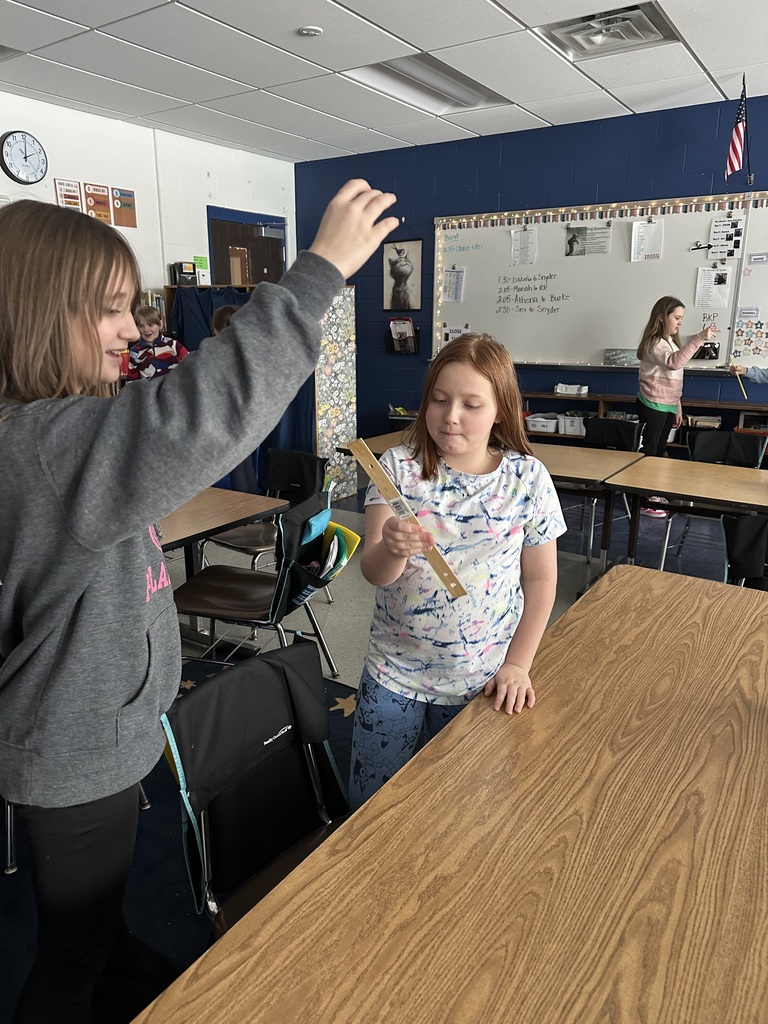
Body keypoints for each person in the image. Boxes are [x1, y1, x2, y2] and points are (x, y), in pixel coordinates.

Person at [0, 179, 398, 1023]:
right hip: (74, 757)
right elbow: (197, 415)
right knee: (71, 957)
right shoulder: (41, 446)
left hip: (91, 739)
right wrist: (318, 272)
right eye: (108, 311)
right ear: (38, 311)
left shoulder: (46, 433)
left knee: (99, 937)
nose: (134, 331)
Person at [348, 333, 566, 810]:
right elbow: (374, 574)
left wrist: (518, 664)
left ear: (501, 411)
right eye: (440, 400)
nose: (451, 416)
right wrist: (391, 548)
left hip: (484, 680)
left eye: (471, 404)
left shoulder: (528, 480)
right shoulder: (397, 470)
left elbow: (542, 581)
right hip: (393, 674)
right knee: (371, 809)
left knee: (462, 811)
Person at [635, 296, 719, 517]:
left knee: (660, 449)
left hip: (668, 404)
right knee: (650, 452)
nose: (680, 322)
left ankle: (652, 492)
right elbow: (674, 362)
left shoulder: (671, 342)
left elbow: (673, 377)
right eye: (677, 317)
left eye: (682, 318)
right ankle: (644, 499)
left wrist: (677, 407)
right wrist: (699, 338)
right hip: (652, 402)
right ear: (662, 317)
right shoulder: (654, 342)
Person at [127, 306, 189, 380]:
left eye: (150, 325)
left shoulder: (173, 345)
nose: (146, 330)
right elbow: (131, 382)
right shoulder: (135, 352)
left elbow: (191, 363)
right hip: (148, 390)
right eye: (141, 326)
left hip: (173, 389)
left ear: (160, 324)